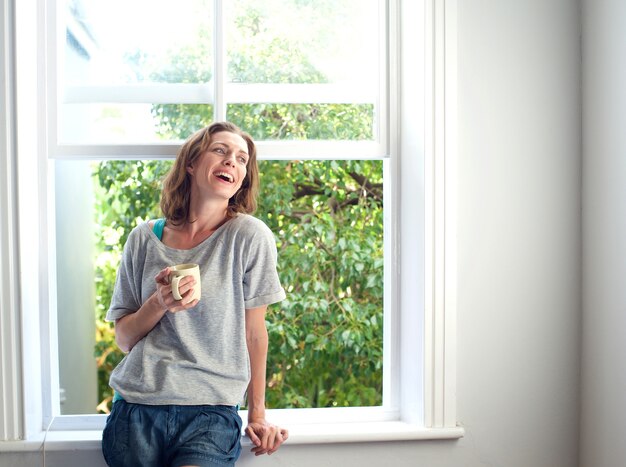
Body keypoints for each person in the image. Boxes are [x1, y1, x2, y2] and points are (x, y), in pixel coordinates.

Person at [101, 121, 289, 467]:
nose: (232, 161)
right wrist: (158, 302)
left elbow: (254, 333)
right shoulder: (143, 239)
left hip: (210, 414)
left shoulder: (249, 237)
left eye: (242, 159)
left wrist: (257, 415)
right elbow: (124, 340)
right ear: (191, 163)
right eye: (220, 150)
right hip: (136, 410)